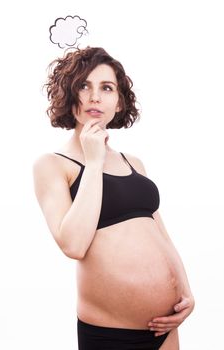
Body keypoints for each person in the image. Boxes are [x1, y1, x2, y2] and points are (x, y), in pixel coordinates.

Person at [33, 46, 195, 350]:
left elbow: (161, 233)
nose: (95, 96)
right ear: (70, 95)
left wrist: (185, 291)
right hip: (111, 336)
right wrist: (93, 162)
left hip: (166, 329)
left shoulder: (134, 162)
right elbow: (73, 244)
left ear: (119, 102)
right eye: (84, 85)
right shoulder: (52, 165)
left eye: (106, 88)